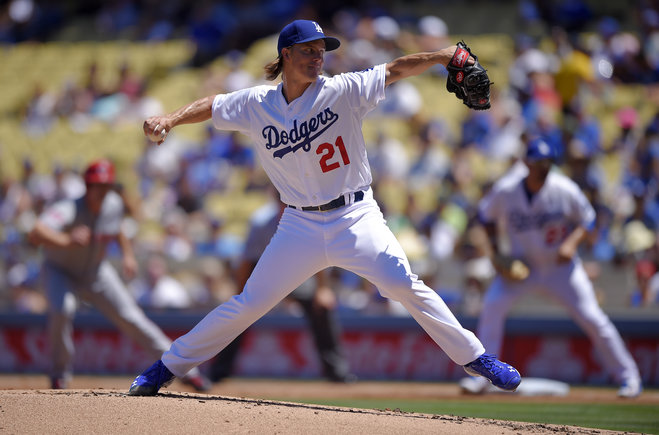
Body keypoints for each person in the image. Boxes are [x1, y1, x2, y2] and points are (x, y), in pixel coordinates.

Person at [128, 19, 521, 396]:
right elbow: (213, 105)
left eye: (322, 50)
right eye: (309, 50)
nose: (318, 57)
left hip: (355, 217)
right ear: (285, 54)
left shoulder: (342, 89)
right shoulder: (257, 103)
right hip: (298, 225)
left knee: (405, 285)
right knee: (248, 303)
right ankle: (165, 368)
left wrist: (441, 56)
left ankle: (477, 358)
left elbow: (396, 69)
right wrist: (171, 119)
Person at [462, 138, 642, 398]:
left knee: (594, 318)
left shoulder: (563, 188)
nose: (543, 168)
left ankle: (629, 378)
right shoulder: (507, 189)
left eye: (547, 163)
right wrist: (496, 253)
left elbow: (588, 221)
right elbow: (485, 217)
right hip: (521, 267)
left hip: (561, 269)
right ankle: (483, 378)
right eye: (537, 163)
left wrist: (571, 243)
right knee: (492, 306)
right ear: (526, 163)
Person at [28, 159, 210, 391]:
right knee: (62, 309)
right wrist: (66, 239)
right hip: (60, 270)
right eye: (97, 185)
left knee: (132, 317)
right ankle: (59, 375)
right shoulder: (69, 208)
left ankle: (186, 371)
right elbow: (36, 231)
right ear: (87, 186)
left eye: (106, 185)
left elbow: (117, 229)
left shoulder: (113, 204)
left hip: (95, 271)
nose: (102, 190)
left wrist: (128, 255)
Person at [208, 194, 355, 383]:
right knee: (241, 310)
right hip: (264, 271)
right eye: (283, 201)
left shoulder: (310, 214)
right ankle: (219, 371)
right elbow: (247, 261)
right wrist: (240, 294)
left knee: (322, 308)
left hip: (299, 271)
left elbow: (320, 257)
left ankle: (337, 372)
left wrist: (322, 289)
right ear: (277, 201)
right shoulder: (261, 221)